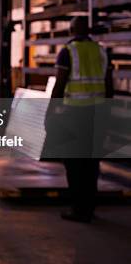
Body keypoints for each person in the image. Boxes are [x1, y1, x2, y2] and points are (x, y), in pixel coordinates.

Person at [48, 16, 112, 223]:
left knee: (75, 164)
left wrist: (50, 112)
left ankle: (78, 209)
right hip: (98, 115)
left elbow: (59, 85)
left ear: (73, 30)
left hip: (75, 115)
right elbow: (109, 86)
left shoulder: (68, 51)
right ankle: (89, 208)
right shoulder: (101, 51)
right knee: (92, 163)